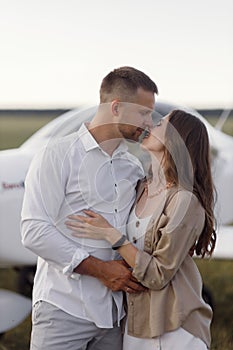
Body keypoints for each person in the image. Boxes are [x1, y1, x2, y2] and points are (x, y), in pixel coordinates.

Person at [21, 66, 158, 350]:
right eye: (143, 113)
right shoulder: (56, 155)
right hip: (63, 309)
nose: (149, 121)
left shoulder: (131, 167)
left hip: (114, 315)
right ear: (117, 107)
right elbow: (33, 230)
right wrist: (101, 269)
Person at [66, 109, 217, 350]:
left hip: (174, 326)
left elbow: (158, 274)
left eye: (160, 125)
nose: (150, 126)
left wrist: (111, 235)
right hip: (136, 323)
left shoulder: (184, 201)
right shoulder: (140, 188)